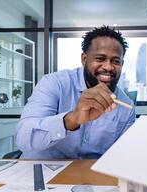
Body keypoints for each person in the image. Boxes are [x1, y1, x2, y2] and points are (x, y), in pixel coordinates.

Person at [16, 26, 136, 159]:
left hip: (91, 176)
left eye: (115, 61)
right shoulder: (55, 83)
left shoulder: (126, 106)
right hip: (40, 172)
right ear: (84, 59)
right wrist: (72, 119)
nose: (108, 67)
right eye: (100, 59)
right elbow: (23, 138)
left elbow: (123, 156)